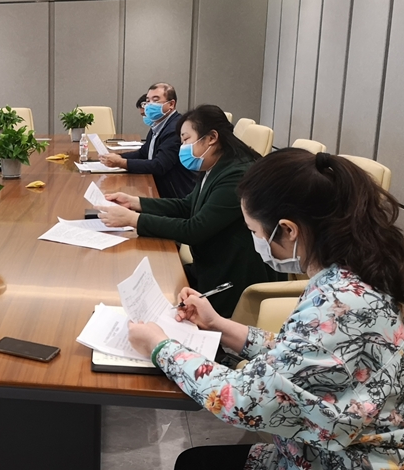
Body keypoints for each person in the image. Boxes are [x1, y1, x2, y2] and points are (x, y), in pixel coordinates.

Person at [127, 149, 404, 470]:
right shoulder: (350, 274)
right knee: (193, 465)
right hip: (331, 460)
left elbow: (242, 401)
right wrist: (218, 325)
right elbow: (295, 356)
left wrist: (160, 347)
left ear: (288, 230)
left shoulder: (342, 304)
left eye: (254, 231)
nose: (255, 242)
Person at [98, 104, 278, 317]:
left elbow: (195, 230)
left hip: (231, 278)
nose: (182, 147)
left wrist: (134, 220)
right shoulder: (215, 164)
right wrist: (136, 202)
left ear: (211, 138)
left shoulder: (236, 175)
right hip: (210, 265)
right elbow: (187, 205)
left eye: (186, 139)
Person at [99, 83, 196, 199]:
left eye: (155, 100)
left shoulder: (174, 128)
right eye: (148, 101)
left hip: (173, 193)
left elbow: (159, 165)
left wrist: (121, 163)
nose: (149, 105)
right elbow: (143, 153)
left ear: (171, 104)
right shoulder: (159, 124)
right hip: (160, 185)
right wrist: (118, 157)